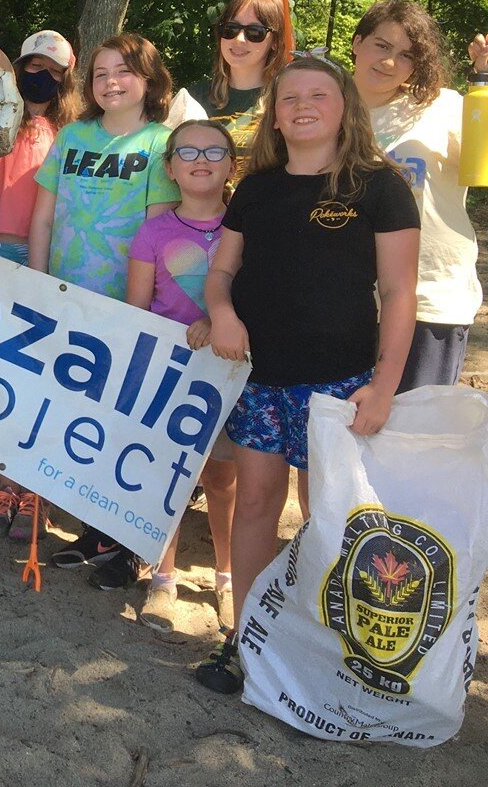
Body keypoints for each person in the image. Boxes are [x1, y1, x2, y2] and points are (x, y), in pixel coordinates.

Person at [194, 53, 419, 695]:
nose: (302, 107)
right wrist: (221, 313)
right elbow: (221, 272)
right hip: (262, 381)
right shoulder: (258, 189)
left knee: (327, 513)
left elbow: (400, 292)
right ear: (275, 114)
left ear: (344, 105)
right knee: (257, 502)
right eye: (289, 97)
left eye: (318, 94)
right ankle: (243, 639)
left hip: (342, 384)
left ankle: (327, 644)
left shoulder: (380, 186)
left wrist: (383, 383)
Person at [28, 33, 179, 589]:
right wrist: (39, 282)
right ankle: (94, 530)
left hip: (128, 306)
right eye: (100, 73)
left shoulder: (162, 144)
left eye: (124, 71)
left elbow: (163, 234)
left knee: (123, 422)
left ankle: (127, 539)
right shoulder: (72, 137)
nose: (111, 81)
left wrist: (143, 311)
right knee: (76, 415)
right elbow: (43, 215)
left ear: (149, 79)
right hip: (65, 299)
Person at [0, 29, 79, 542]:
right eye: (31, 66)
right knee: (4, 376)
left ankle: (36, 491)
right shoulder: (1, 109)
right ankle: (7, 485)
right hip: (0, 252)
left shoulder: (76, 129)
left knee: (44, 382)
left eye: (51, 70)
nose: (39, 77)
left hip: (53, 259)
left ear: (66, 76)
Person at [125, 120, 238, 631]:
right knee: (167, 474)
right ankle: (164, 578)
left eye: (215, 151)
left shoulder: (249, 229)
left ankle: (229, 577)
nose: (201, 159)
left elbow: (260, 297)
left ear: (232, 166)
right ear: (169, 167)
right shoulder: (152, 231)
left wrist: (216, 321)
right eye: (187, 151)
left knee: (223, 477)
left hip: (234, 372)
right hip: (171, 374)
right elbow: (136, 310)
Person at [349, 1, 480, 390]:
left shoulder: (445, 106)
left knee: (416, 437)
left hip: (430, 298)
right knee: (344, 436)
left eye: (406, 55)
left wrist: (484, 81)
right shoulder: (328, 107)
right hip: (346, 299)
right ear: (356, 43)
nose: (390, 62)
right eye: (381, 45)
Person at [168, 0, 287, 169]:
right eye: (230, 29)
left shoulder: (285, 101)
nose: (239, 39)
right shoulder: (192, 99)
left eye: (255, 32)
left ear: (276, 41)